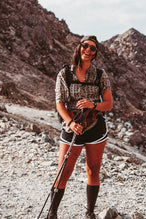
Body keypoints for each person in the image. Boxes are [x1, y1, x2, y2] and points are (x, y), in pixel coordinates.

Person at [50, 35, 113, 219]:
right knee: (63, 172)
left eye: (93, 48)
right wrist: (70, 123)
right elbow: (59, 103)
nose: (88, 50)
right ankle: (52, 214)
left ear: (95, 54)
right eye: (85, 46)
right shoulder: (65, 74)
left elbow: (108, 104)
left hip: (96, 128)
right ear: (79, 48)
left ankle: (90, 213)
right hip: (72, 128)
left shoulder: (100, 75)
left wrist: (92, 105)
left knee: (93, 170)